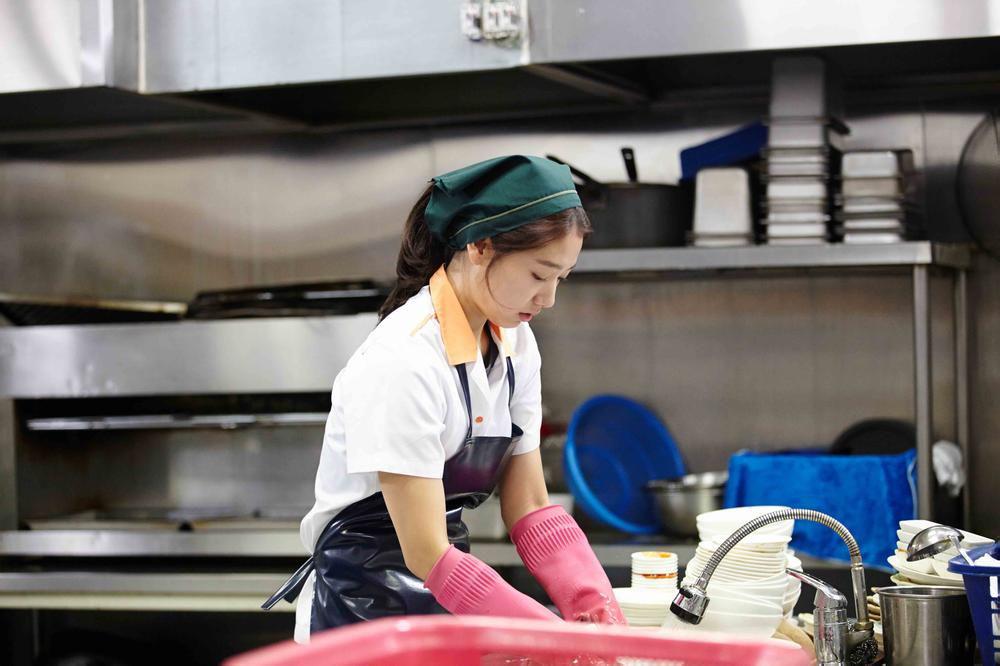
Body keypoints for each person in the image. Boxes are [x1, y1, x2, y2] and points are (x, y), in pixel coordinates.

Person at [262, 155, 624, 643]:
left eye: (562, 277)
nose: (549, 298)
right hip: (359, 616)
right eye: (539, 275)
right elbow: (427, 552)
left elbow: (530, 504)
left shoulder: (515, 342)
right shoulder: (403, 359)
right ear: (480, 245)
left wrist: (593, 605)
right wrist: (545, 635)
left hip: (446, 599)